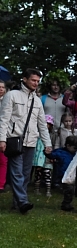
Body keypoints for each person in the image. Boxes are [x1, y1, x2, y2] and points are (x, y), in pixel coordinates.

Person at [0, 68, 52, 213]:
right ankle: (23, 201)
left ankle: (17, 204)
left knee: (25, 175)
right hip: (14, 139)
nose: (36, 83)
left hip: (31, 141)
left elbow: (42, 123)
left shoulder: (37, 100)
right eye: (33, 80)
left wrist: (47, 143)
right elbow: (3, 119)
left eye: (38, 81)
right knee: (17, 173)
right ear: (24, 79)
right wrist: (2, 139)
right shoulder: (11, 96)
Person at [50, 135, 77, 212]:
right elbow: (52, 154)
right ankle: (66, 204)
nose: (75, 150)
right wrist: (47, 153)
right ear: (68, 145)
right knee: (69, 190)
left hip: (69, 176)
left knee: (70, 190)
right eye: (74, 148)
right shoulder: (61, 152)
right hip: (61, 175)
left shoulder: (75, 154)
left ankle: (67, 203)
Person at [32, 114, 55, 197]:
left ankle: (48, 190)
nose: (46, 125)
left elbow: (54, 146)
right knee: (38, 174)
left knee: (47, 173)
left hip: (48, 157)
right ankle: (36, 189)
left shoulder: (52, 135)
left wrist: (52, 156)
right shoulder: (37, 135)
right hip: (38, 158)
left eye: (48, 124)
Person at [0, 80, 6, 192]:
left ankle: (1, 184)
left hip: (4, 132)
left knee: (3, 160)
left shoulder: (7, 101)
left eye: (2, 87)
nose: (1, 89)